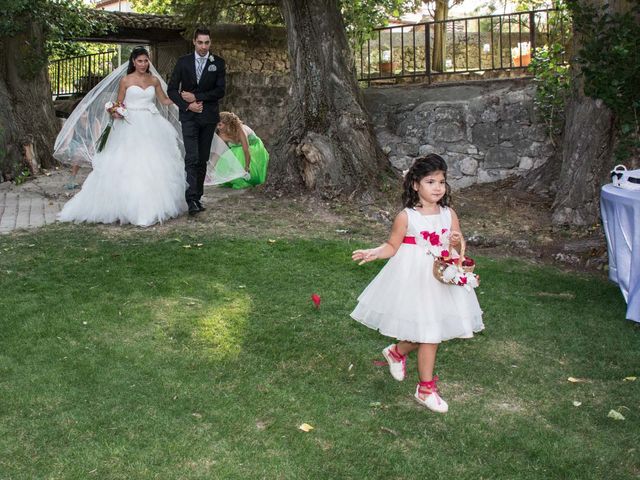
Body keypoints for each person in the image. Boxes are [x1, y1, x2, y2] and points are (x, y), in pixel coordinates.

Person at [351, 154, 484, 413]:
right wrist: (374, 252)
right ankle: (425, 389)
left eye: (442, 182)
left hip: (440, 277)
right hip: (415, 279)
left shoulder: (449, 213)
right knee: (429, 334)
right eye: (430, 181)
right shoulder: (407, 216)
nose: (437, 187)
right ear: (415, 185)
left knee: (431, 331)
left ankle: (397, 352)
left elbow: (455, 245)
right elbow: (392, 246)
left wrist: (456, 242)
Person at [57, 47, 188, 227]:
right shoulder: (126, 80)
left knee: (153, 163)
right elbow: (119, 103)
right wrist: (115, 111)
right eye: (140, 61)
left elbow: (164, 101)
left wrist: (180, 97)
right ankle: (122, 207)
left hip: (152, 124)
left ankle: (152, 206)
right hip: (130, 124)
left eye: (146, 60)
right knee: (126, 164)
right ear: (133, 62)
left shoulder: (154, 80)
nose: (143, 64)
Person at [168, 27, 226, 215]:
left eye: (206, 42)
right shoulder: (183, 62)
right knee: (192, 157)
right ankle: (191, 198)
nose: (203, 46)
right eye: (200, 42)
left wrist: (196, 97)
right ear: (194, 41)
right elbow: (172, 90)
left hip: (208, 118)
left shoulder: (218, 63)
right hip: (189, 117)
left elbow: (220, 91)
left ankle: (198, 196)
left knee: (202, 158)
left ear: (210, 43)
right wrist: (187, 106)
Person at [213, 111, 269, 189]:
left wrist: (247, 167)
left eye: (220, 125)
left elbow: (246, 150)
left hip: (253, 148)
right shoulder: (221, 133)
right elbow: (217, 153)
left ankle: (244, 179)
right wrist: (212, 167)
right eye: (217, 125)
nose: (218, 127)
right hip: (237, 149)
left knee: (239, 154)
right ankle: (232, 179)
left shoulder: (240, 130)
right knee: (225, 160)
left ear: (228, 124)